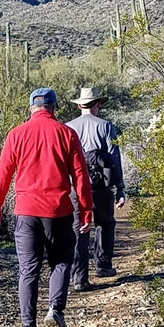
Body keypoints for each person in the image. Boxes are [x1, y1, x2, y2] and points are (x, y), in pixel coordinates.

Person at [0, 88, 93, 327]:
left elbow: (2, 174)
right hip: (58, 211)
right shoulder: (66, 134)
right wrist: (86, 210)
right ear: (54, 108)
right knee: (61, 262)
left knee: (28, 270)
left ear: (31, 108)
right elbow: (80, 176)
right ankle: (55, 311)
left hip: (26, 212)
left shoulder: (16, 135)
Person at [66, 87, 126, 289]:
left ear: (79, 105)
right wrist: (120, 188)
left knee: (78, 229)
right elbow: (115, 158)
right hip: (102, 185)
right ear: (98, 104)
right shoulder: (106, 126)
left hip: (76, 187)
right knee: (105, 223)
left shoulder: (68, 128)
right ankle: (103, 265)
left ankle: (78, 277)